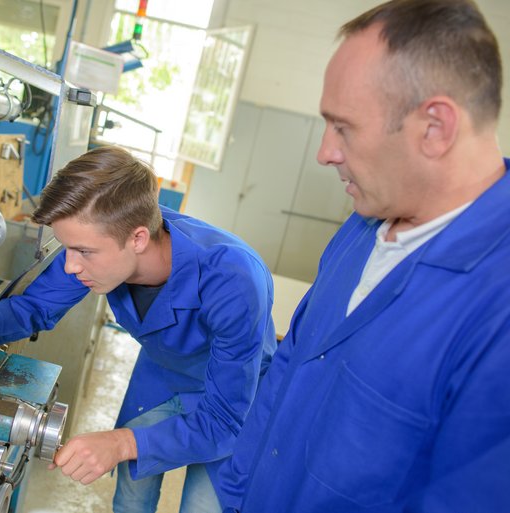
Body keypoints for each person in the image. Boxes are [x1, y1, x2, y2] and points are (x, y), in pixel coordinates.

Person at [215, 1, 510, 512]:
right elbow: (290, 364)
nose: (325, 152)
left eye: (343, 126)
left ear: (435, 128)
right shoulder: (364, 225)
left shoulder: (495, 310)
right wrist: (237, 496)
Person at [0, 145, 277, 513]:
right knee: (131, 494)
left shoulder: (234, 280)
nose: (70, 267)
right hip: (164, 374)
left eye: (83, 252)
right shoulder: (107, 234)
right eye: (68, 249)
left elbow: (223, 418)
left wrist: (122, 442)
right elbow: (37, 304)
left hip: (237, 395)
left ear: (138, 238)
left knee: (203, 504)